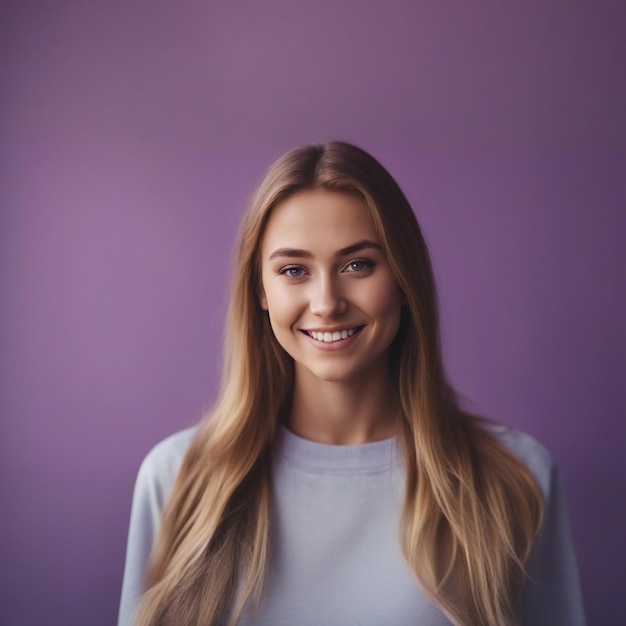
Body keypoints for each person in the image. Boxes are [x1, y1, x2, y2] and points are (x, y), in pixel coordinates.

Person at [118, 141, 585, 626]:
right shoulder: (175, 480)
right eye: (293, 270)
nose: (326, 302)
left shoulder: (515, 478)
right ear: (260, 289)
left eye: (357, 264)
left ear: (404, 279)